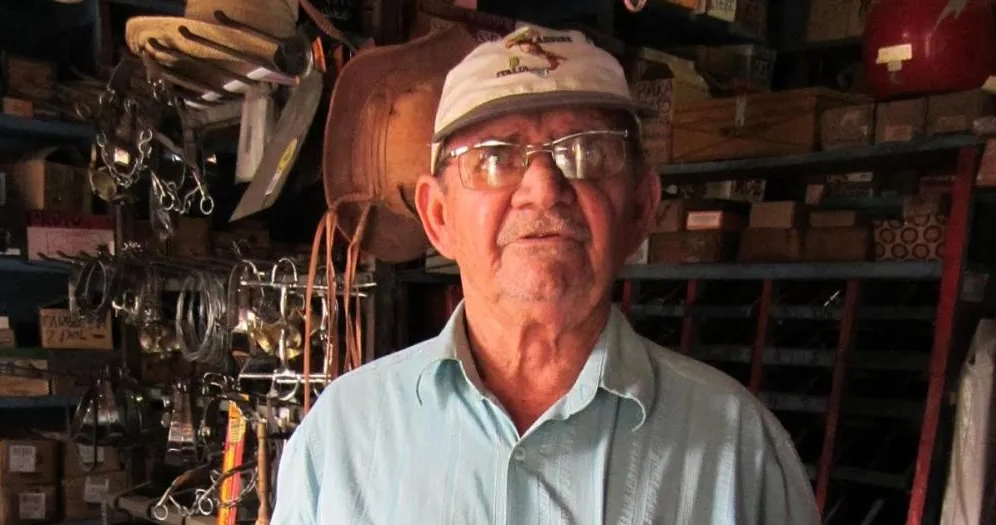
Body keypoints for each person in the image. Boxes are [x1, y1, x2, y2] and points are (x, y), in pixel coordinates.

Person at [271, 26, 820, 525]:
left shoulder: (738, 449)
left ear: (640, 208)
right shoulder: (343, 438)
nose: (543, 188)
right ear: (438, 217)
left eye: (586, 151)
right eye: (493, 158)